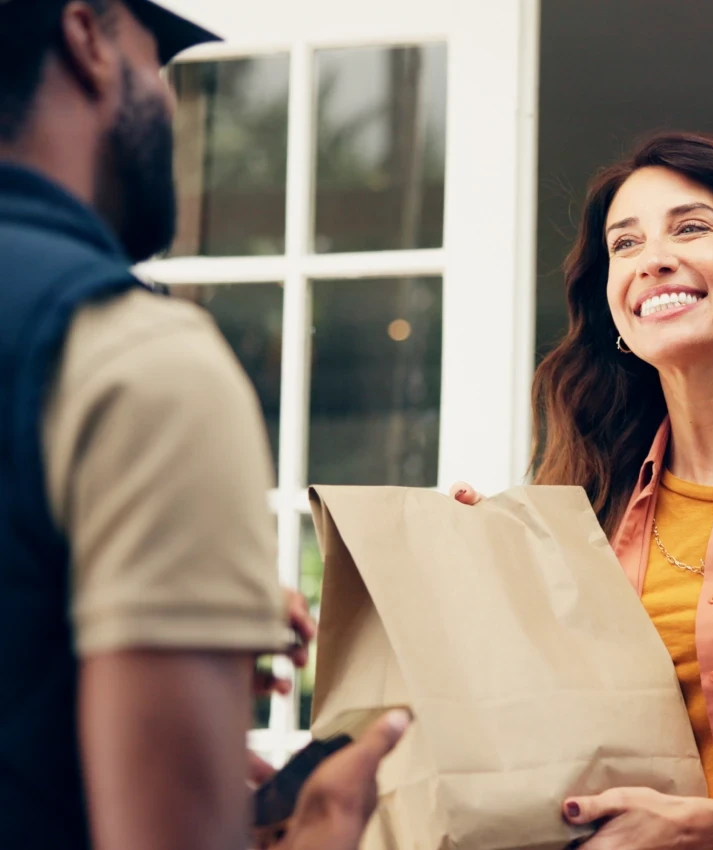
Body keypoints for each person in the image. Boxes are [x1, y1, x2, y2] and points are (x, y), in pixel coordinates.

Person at [0, 1, 405, 849]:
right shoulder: (130, 355)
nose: (172, 106)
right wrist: (325, 827)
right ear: (87, 38)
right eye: (159, 67)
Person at [452, 131, 713, 848]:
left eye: (690, 228)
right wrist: (489, 592)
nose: (653, 259)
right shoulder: (578, 515)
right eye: (624, 244)